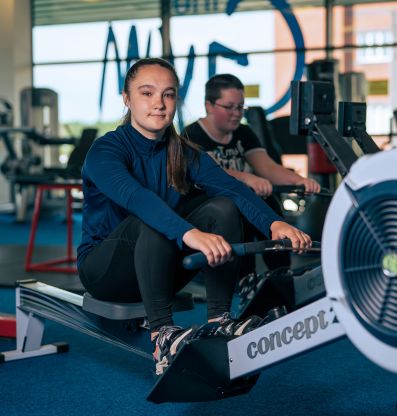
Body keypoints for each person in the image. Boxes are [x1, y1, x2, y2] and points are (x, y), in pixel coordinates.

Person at [77, 58, 312, 376]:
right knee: (152, 216)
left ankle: (220, 320)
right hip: (106, 273)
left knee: (223, 207)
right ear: (126, 98)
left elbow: (233, 189)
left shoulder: (183, 152)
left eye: (168, 94)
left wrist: (275, 223)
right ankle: (162, 336)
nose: (159, 104)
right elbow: (137, 198)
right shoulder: (105, 151)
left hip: (161, 268)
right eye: (147, 93)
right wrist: (189, 233)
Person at [182, 74, 321, 272]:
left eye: (240, 107)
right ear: (209, 105)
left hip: (243, 200)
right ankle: (244, 279)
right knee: (232, 212)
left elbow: (267, 168)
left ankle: (282, 274)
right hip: (211, 207)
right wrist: (247, 178)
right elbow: (212, 173)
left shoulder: (243, 133)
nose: (236, 113)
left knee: (269, 201)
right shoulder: (191, 135)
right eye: (229, 107)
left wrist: (299, 181)